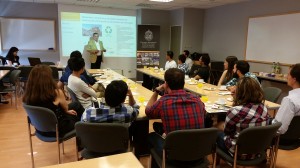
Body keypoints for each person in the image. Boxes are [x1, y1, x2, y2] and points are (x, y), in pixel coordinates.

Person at [146, 68, 206, 159]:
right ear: (184, 84)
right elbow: (203, 113)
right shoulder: (197, 100)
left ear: (166, 84)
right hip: (197, 153)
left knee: (151, 136)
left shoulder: (163, 101)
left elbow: (148, 111)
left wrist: (157, 91)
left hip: (174, 156)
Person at [22, 64, 84, 137]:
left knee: (76, 105)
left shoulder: (28, 96)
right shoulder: (56, 93)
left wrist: (65, 111)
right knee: (79, 117)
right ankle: (85, 135)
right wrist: (66, 111)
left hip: (40, 129)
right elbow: (65, 107)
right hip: (57, 129)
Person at [217, 77, 269, 160]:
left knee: (216, 131)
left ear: (240, 93)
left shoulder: (235, 111)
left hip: (238, 153)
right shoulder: (264, 108)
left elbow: (227, 132)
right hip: (257, 151)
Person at [273, 64, 300, 145]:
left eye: (288, 74)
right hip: (297, 137)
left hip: (284, 139)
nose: (286, 77)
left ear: (294, 79)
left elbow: (279, 128)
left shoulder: (289, 100)